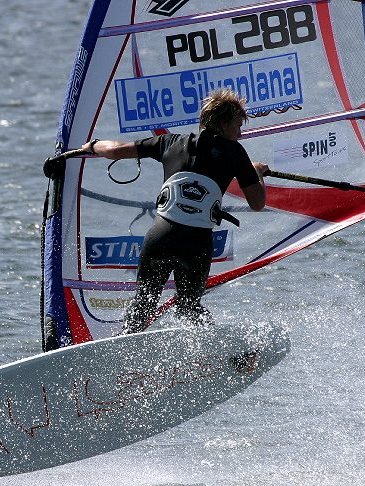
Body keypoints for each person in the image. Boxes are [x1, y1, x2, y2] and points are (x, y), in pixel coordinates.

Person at [80, 89, 267, 334]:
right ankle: (219, 353)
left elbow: (116, 150)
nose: (240, 133)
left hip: (161, 237)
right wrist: (257, 174)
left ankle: (120, 356)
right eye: (237, 126)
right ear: (222, 124)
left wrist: (92, 145)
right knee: (189, 308)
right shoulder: (235, 153)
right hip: (196, 244)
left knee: (143, 306)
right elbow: (257, 202)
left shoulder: (170, 142)